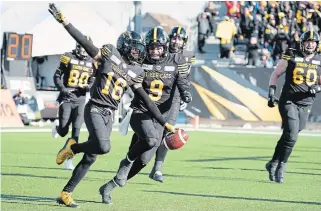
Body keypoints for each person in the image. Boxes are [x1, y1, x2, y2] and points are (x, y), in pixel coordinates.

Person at [48, 4, 175, 207]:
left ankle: (66, 193)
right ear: (124, 45)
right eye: (134, 47)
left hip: (110, 114)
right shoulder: (110, 54)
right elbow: (85, 42)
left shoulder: (136, 71)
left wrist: (164, 123)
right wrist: (65, 22)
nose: (137, 51)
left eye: (139, 48)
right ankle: (73, 147)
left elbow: (146, 100)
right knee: (104, 147)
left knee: (91, 158)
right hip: (95, 107)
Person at [98, 27, 192, 204]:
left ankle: (109, 186)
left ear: (164, 47)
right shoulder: (139, 61)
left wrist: (186, 93)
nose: (154, 51)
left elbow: (182, 81)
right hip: (140, 111)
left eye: (158, 47)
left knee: (144, 160)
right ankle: (125, 162)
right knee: (150, 141)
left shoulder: (175, 61)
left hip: (160, 116)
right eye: (151, 47)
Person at [266, 30, 321, 183]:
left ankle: (273, 162)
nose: (310, 44)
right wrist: (271, 91)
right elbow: (276, 73)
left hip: (306, 103)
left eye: (313, 42)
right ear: (302, 42)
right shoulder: (291, 53)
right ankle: (281, 166)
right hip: (289, 100)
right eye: (308, 41)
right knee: (292, 135)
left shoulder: (319, 59)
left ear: (317, 44)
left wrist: (317, 88)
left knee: (290, 134)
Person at [149, 26, 195, 183]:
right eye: (174, 38)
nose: (176, 41)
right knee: (149, 133)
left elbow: (186, 78)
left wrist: (184, 95)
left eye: (180, 38)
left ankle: (157, 169)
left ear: (184, 41)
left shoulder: (187, 57)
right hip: (156, 97)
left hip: (174, 99)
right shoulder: (161, 52)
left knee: (167, 134)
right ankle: (137, 159)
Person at [52, 37, 95, 170]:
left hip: (81, 99)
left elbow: (93, 80)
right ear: (78, 46)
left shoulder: (92, 61)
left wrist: (89, 86)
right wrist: (62, 89)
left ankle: (69, 160)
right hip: (67, 97)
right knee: (64, 131)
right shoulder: (68, 56)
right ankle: (57, 127)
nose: (84, 49)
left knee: (76, 131)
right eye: (82, 46)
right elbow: (57, 76)